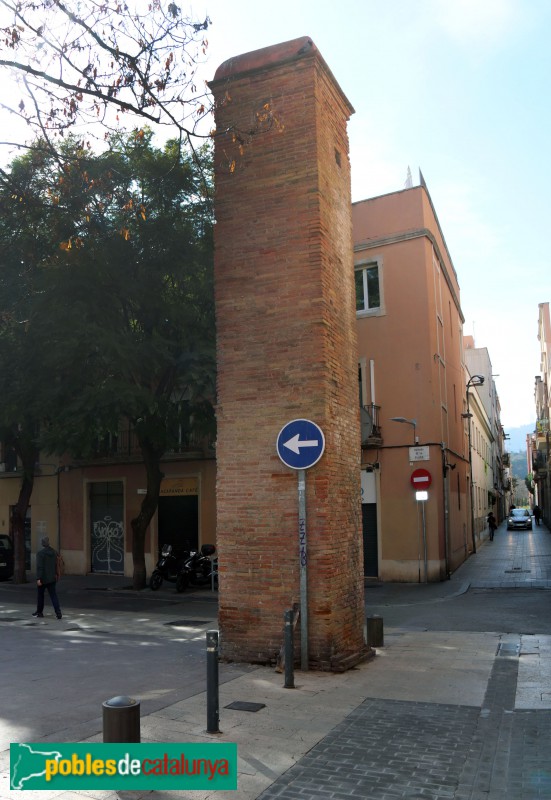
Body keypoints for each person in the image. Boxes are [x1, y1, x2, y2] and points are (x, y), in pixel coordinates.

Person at [32, 536, 62, 619]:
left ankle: (39, 612)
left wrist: (38, 578)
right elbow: (57, 565)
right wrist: (56, 574)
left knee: (40, 595)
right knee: (53, 595)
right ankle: (58, 612)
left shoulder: (40, 553)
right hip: (52, 578)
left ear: (42, 543)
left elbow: (40, 567)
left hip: (43, 578)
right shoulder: (54, 552)